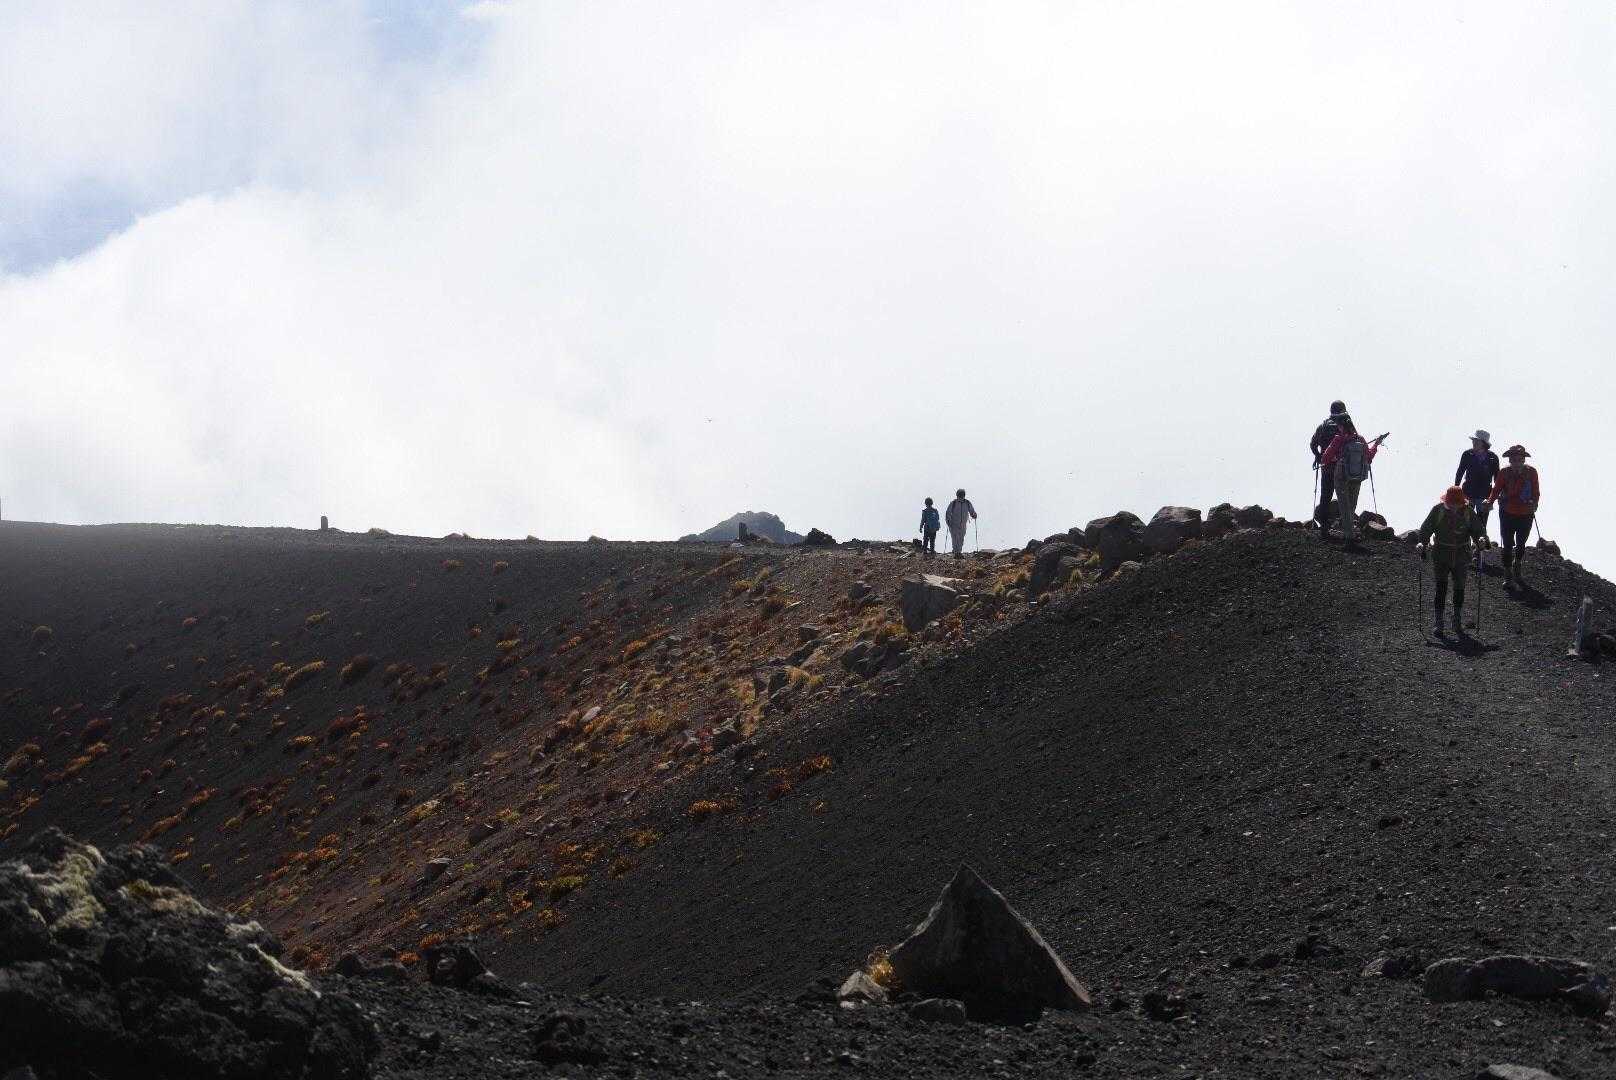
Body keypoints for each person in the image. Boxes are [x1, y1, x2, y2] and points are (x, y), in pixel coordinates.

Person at [1417, 485, 1483, 636]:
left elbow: (1478, 531)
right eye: (1452, 503)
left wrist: (1481, 540)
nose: (1454, 507)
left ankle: (1456, 620)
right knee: (1441, 588)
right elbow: (1426, 529)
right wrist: (1422, 543)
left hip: (1461, 556)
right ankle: (1439, 622)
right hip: (1441, 554)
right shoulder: (1438, 511)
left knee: (1459, 588)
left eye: (1456, 504)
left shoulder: (1468, 512)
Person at [1319, 414, 1385, 549]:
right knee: (1351, 506)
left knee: (1344, 507)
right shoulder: (1360, 439)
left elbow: (1325, 458)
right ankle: (1348, 533)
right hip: (1357, 476)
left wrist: (1335, 458)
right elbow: (1369, 458)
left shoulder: (1339, 439)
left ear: (1341, 426)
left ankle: (1349, 538)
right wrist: (1376, 444)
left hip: (1341, 476)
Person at [1487, 444, 1540, 588]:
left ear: (1523, 460)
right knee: (1507, 543)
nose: (1516, 462)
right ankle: (1508, 574)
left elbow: (1536, 491)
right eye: (1513, 459)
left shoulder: (1532, 472)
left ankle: (1517, 564)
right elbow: (1496, 489)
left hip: (1525, 513)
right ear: (1510, 460)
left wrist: (1535, 503)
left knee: (1521, 543)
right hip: (1507, 512)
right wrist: (1490, 501)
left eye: (1519, 459)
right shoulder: (1504, 473)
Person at [1454, 429, 1500, 570]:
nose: (1473, 442)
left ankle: (1477, 554)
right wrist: (1456, 489)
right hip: (1467, 493)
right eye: (1473, 440)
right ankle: (1465, 552)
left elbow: (1497, 478)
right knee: (1464, 522)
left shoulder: (1493, 458)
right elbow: (1460, 471)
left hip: (1484, 495)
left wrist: (1497, 495)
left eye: (1476, 440)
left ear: (1483, 443)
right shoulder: (1467, 454)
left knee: (1481, 524)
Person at [1310, 400, 1348, 527]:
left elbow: (1313, 444)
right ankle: (1346, 525)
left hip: (1326, 466)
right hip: (1341, 467)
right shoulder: (1344, 425)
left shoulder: (1322, 426)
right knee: (1344, 496)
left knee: (1325, 496)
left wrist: (1318, 456)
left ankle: (1324, 526)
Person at [944, 489, 977, 559]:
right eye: (960, 495)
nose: (961, 497)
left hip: (963, 524)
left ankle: (958, 552)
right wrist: (948, 521)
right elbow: (948, 513)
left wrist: (974, 515)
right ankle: (957, 552)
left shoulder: (967, 503)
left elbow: (971, 511)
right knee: (955, 538)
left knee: (961, 538)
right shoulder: (953, 503)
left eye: (961, 495)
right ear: (957, 495)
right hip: (953, 524)